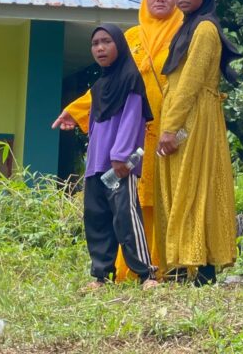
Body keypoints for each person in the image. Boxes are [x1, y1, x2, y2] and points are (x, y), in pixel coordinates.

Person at [54, 0, 183, 281]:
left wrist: (127, 153)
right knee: (114, 210)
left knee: (155, 203)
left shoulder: (184, 34)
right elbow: (100, 96)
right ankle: (114, 271)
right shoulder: (132, 39)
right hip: (117, 154)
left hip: (168, 133)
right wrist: (74, 111)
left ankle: (162, 268)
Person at [155, 0, 242, 286]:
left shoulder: (204, 28)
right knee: (179, 188)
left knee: (192, 188)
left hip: (192, 117)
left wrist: (170, 127)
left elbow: (190, 81)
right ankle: (180, 263)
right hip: (180, 113)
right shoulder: (187, 27)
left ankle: (198, 263)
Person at [79, 24, 157, 291]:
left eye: (106, 42)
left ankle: (146, 275)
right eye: (95, 43)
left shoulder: (130, 78)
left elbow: (133, 119)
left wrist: (122, 156)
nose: (100, 48)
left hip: (120, 164)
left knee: (126, 215)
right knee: (96, 217)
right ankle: (100, 275)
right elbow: (95, 126)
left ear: (119, 45)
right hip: (96, 165)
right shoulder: (99, 86)